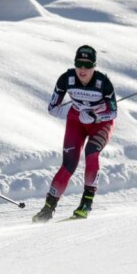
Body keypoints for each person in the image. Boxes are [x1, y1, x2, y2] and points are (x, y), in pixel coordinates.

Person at [32, 45, 117, 222]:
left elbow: (113, 112)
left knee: (91, 152)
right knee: (68, 164)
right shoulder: (66, 79)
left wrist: (96, 116)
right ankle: (48, 209)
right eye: (79, 64)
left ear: (94, 66)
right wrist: (57, 109)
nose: (82, 69)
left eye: (88, 65)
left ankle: (86, 203)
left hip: (100, 124)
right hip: (76, 121)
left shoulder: (103, 83)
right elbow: (53, 107)